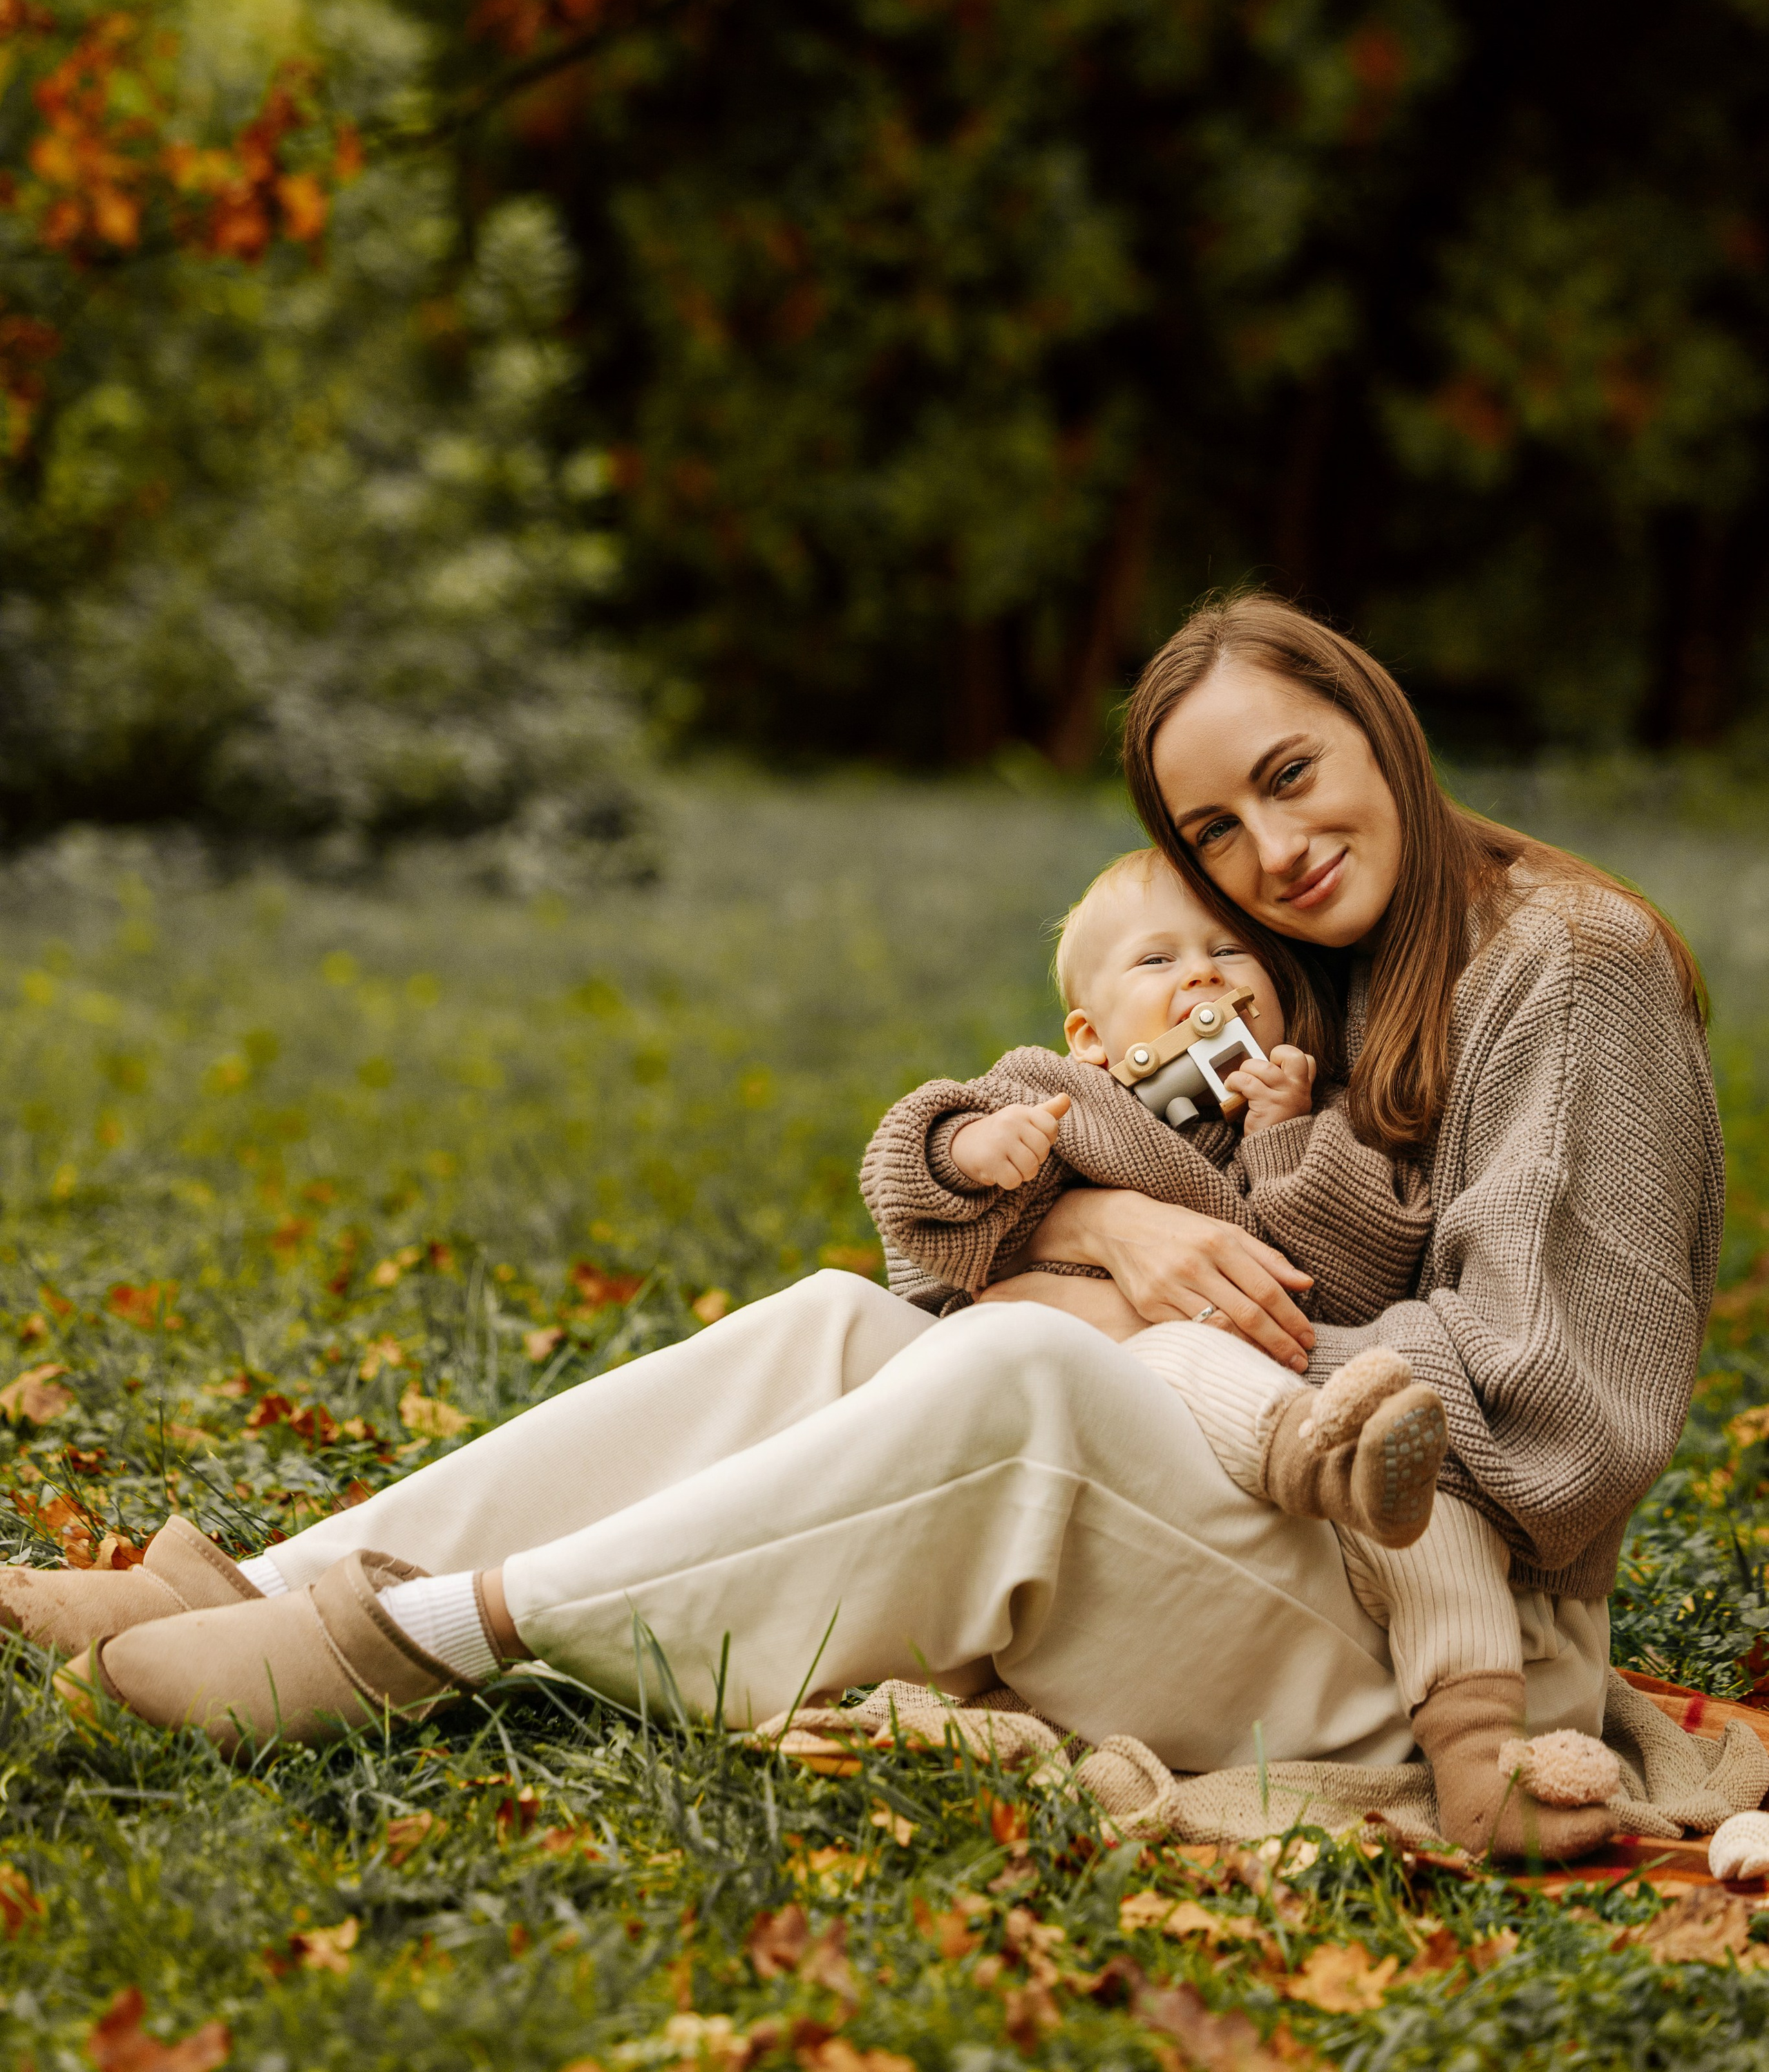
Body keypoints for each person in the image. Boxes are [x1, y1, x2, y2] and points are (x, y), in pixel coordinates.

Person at [0, 596, 1714, 1863]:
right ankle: (261, 1580)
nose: (1270, 850)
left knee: (1025, 1381)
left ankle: (424, 1637)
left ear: (1377, 719)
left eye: (1291, 774)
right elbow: (949, 1242)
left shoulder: (1566, 965)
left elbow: (1555, 1425)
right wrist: (1111, 1220)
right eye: (1211, 830)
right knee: (829, 1330)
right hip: (1276, 1526)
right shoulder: (1319, 969)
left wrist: (1186, 1341)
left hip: (1446, 1629)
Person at [861, 842, 1554, 1793]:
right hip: (1131, 1417)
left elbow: (1354, 1280)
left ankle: (1482, 1755)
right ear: (1092, 1034)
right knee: (1181, 1345)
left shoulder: (1318, 1120)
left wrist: (1288, 1140)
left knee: (1440, 1506)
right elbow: (908, 1188)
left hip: (1302, 1438)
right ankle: (1324, 1449)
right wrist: (976, 1147)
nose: (1200, 974)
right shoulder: (1061, 1098)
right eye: (1157, 960)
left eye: (1230, 952)